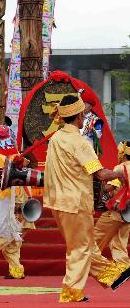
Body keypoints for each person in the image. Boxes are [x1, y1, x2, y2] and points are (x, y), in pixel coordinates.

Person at [44, 95, 130, 302]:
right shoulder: (79, 142)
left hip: (59, 202)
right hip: (76, 202)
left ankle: (112, 275)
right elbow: (100, 174)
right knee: (80, 248)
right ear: (79, 115)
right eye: (84, 113)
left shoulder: (55, 138)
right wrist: (123, 172)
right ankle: (71, 292)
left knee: (84, 245)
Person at [94, 141, 130, 266]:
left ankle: (90, 266)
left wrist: (99, 185)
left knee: (95, 239)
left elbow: (109, 188)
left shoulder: (121, 168)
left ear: (123, 153)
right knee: (119, 243)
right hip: (128, 214)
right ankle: (124, 268)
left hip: (116, 211)